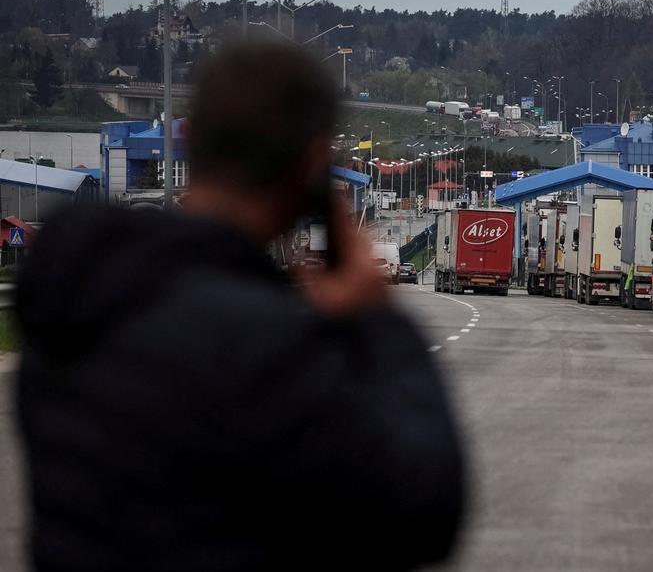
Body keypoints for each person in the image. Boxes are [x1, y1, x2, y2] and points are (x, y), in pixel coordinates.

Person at [15, 42, 465, 571]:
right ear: (312, 165)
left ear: (188, 139)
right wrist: (378, 321)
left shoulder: (73, 309)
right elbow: (420, 510)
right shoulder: (262, 345)